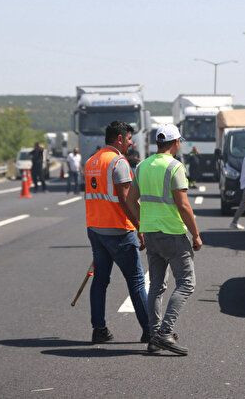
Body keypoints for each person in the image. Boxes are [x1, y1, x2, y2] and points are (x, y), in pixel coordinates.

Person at [128, 123, 201, 356]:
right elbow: (183, 205)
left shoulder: (142, 165)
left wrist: (143, 222)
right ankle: (165, 333)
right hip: (172, 234)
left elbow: (131, 200)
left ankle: (154, 336)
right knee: (187, 283)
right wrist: (196, 234)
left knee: (157, 286)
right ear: (175, 143)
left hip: (151, 234)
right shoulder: (175, 166)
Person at [83, 121, 149, 344]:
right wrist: (141, 227)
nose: (131, 143)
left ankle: (98, 329)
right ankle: (150, 331)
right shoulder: (118, 162)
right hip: (119, 231)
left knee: (100, 280)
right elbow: (127, 200)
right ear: (119, 139)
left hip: (95, 229)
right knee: (137, 281)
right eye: (129, 138)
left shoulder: (92, 161)